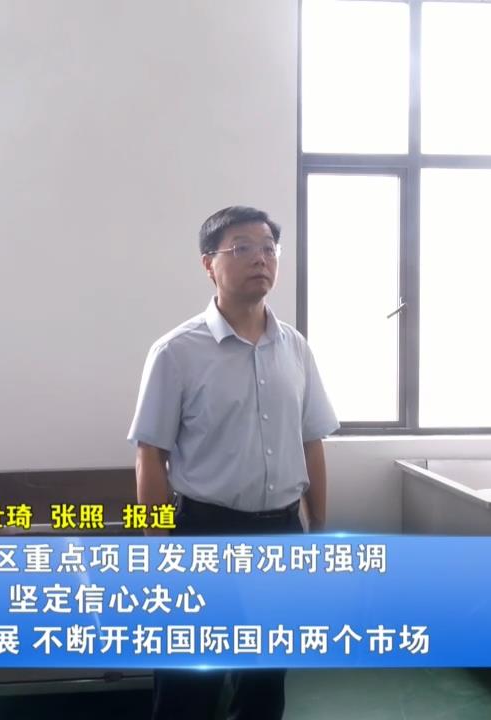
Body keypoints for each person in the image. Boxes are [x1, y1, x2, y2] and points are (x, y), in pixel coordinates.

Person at [128, 205, 339, 720]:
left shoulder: (296, 348)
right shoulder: (177, 351)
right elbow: (150, 454)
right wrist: (160, 552)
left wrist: (317, 530)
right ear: (209, 264)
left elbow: (311, 440)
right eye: (242, 248)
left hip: (281, 534)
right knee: (188, 688)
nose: (260, 259)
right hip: (203, 533)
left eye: (269, 248)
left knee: (264, 684)